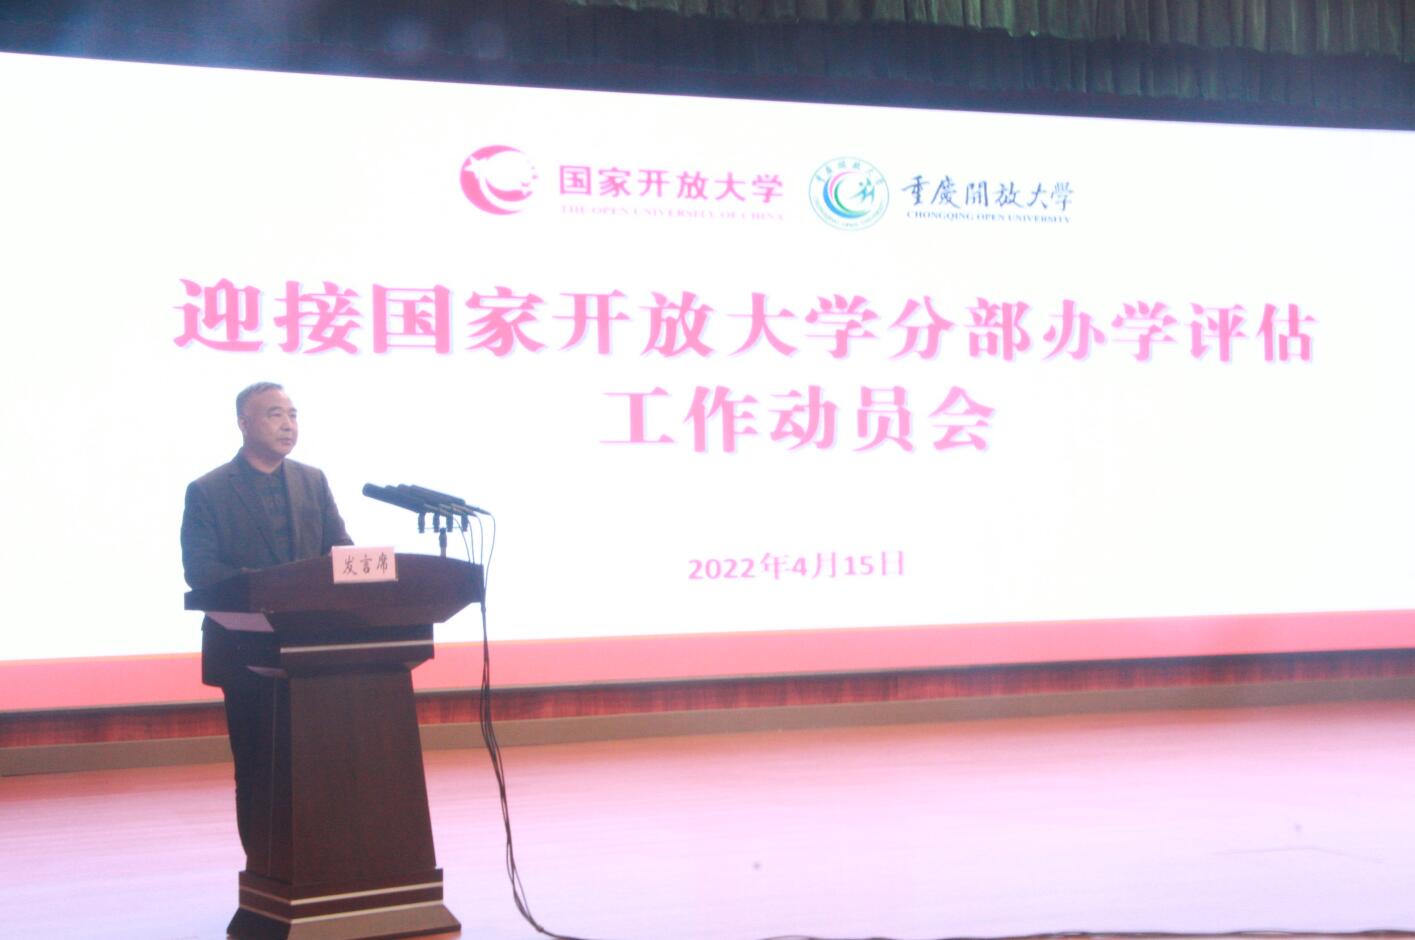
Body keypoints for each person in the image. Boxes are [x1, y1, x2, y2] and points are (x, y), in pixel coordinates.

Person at [180, 381, 352, 862]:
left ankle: (321, 860)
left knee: (318, 764)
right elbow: (201, 571)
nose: (288, 424)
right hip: (246, 653)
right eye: (275, 414)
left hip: (313, 653)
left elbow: (340, 550)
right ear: (244, 423)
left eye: (293, 414)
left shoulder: (313, 481)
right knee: (259, 766)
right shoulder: (209, 490)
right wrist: (269, 588)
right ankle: (265, 865)